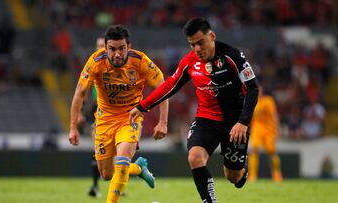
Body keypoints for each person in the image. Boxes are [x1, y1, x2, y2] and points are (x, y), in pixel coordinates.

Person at [130, 17, 259, 203]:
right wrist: (142, 106)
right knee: (195, 157)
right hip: (207, 119)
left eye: (201, 42)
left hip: (235, 123)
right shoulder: (189, 62)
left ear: (212, 36)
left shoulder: (233, 56)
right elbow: (170, 85)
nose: (197, 49)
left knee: (234, 178)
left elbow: (253, 88)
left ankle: (241, 167)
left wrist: (243, 122)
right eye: (192, 45)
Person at [68, 25, 169, 203]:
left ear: (129, 47)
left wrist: (163, 122)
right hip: (104, 120)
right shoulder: (96, 61)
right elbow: (80, 93)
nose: (117, 54)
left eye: (121, 49)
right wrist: (73, 127)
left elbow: (163, 88)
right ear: (105, 47)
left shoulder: (140, 61)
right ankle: (138, 168)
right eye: (112, 49)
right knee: (106, 174)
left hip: (130, 117)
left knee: (122, 161)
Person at [248, 85, 283, 183]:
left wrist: (277, 128)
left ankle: (277, 174)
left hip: (269, 130)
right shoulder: (252, 102)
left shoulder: (268, 101)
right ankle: (252, 176)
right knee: (253, 150)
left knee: (271, 152)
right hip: (257, 129)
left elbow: (274, 114)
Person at [87, 36, 105, 198]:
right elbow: (82, 90)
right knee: (97, 150)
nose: (100, 48)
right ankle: (94, 185)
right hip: (97, 111)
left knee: (116, 154)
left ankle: (117, 184)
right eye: (98, 45)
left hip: (115, 114)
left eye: (103, 46)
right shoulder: (93, 65)